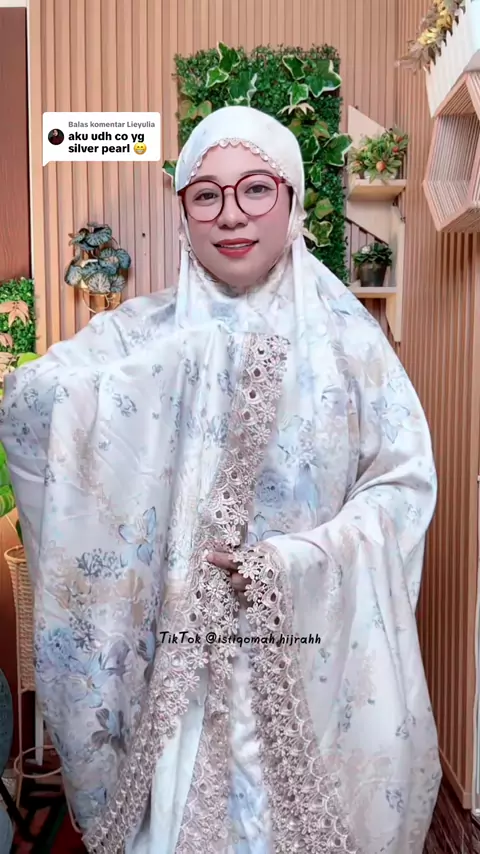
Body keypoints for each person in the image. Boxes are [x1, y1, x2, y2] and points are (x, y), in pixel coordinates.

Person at [0, 106, 441, 854]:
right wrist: (174, 367)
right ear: (184, 213)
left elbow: (400, 489)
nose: (231, 214)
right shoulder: (142, 331)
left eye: (256, 188)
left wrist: (295, 563)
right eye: (206, 195)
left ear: (292, 200)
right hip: (177, 675)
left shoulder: (351, 346)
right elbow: (32, 404)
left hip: (305, 664)